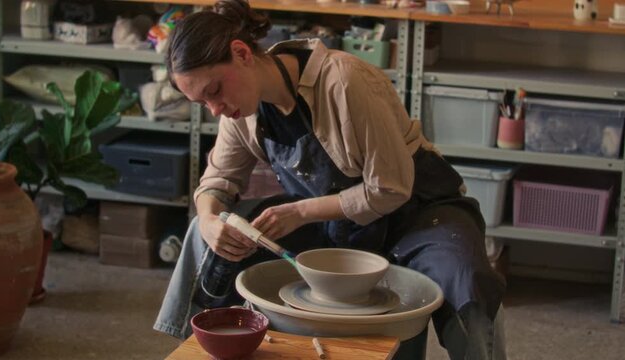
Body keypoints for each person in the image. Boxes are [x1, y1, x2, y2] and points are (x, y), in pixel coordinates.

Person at [153, 1, 506, 358]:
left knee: (466, 280)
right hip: (333, 222)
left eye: (214, 92)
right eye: (202, 103)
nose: (214, 110)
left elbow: (390, 188)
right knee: (207, 232)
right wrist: (212, 218)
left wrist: (301, 212)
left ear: (241, 53)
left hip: (417, 210)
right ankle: (195, 349)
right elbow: (218, 179)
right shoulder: (239, 111)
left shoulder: (344, 80)